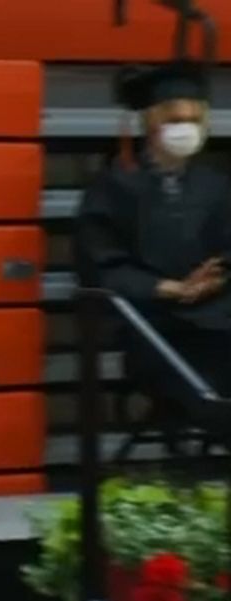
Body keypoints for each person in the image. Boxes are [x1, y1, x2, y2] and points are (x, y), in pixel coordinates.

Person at [77, 61, 231, 400]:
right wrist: (167, 288)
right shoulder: (115, 187)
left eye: (193, 121)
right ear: (151, 122)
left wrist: (219, 276)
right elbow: (99, 264)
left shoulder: (217, 184)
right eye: (175, 121)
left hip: (218, 317)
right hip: (155, 328)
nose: (185, 129)